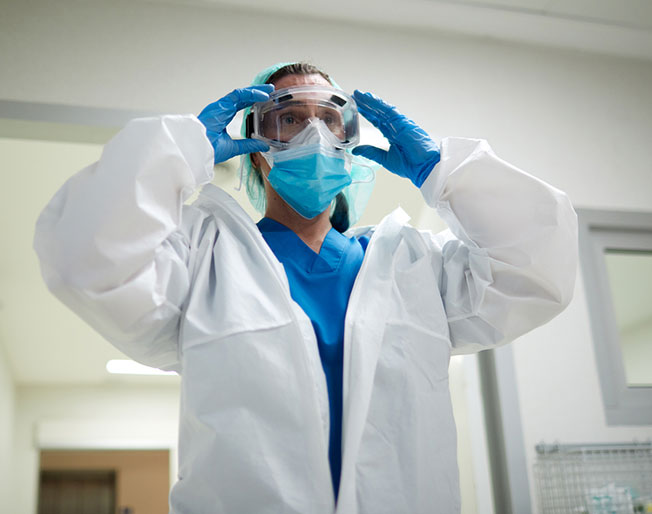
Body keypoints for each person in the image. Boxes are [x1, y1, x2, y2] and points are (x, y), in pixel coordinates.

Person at [34, 62, 578, 514]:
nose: (314, 133)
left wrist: (443, 172)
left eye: (330, 118)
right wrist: (183, 150)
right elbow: (87, 259)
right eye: (289, 118)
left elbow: (536, 269)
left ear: (349, 141)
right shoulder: (203, 259)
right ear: (254, 145)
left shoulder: (412, 265)